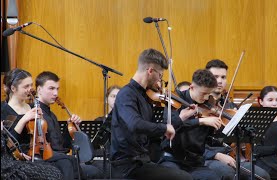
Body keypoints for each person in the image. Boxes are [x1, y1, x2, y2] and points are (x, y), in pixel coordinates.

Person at [110, 48, 192, 179]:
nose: (160, 80)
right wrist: (164, 128)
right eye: (160, 75)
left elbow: (152, 132)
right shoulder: (127, 94)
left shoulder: (146, 97)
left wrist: (177, 121)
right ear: (150, 71)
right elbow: (134, 124)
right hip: (127, 167)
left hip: (143, 161)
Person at [204, 59, 270, 180]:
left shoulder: (230, 107)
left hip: (232, 155)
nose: (219, 81)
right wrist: (216, 155)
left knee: (262, 175)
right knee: (228, 173)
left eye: (223, 77)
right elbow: (192, 144)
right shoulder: (199, 106)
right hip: (209, 156)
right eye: (215, 76)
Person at [0, 68, 68, 179]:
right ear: (13, 88)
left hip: (35, 152)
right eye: (25, 86)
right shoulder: (4, 110)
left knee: (65, 163)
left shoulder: (31, 107)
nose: (30, 89)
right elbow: (8, 141)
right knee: (57, 170)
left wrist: (41, 121)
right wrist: (23, 120)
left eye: (31, 85)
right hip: (16, 156)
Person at [35, 71, 104, 179]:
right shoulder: (35, 113)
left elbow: (63, 145)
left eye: (57, 89)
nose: (56, 93)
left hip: (61, 158)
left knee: (99, 167)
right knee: (95, 172)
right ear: (39, 89)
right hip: (52, 161)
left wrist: (70, 128)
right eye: (51, 88)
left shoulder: (52, 115)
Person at [159, 69, 226, 179]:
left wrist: (219, 126)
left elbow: (211, 138)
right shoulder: (175, 99)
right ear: (192, 87)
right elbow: (170, 124)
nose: (205, 98)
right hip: (172, 158)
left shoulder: (209, 105)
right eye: (203, 93)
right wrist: (201, 121)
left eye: (209, 94)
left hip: (195, 162)